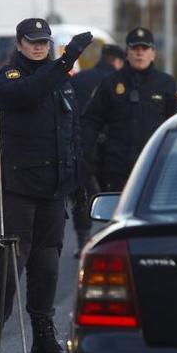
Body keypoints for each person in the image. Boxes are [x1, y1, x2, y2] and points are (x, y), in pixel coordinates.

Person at [0, 18, 93, 353]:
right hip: (16, 189)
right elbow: (28, 94)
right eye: (32, 41)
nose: (39, 46)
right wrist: (66, 61)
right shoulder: (10, 77)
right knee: (8, 268)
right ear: (19, 43)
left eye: (44, 41)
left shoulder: (61, 82)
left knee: (47, 267)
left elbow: (73, 133)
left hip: (53, 190)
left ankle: (43, 340)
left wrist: (79, 179)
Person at [82, 27, 177, 192]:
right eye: (135, 49)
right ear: (127, 52)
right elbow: (91, 122)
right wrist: (88, 161)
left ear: (153, 53)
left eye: (144, 49)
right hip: (116, 169)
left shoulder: (166, 84)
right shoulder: (110, 83)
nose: (140, 53)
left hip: (155, 167)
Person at [68, 44, 125, 256]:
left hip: (81, 143)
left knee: (82, 193)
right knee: (113, 194)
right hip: (111, 146)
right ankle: (111, 239)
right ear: (118, 61)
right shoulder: (120, 81)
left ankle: (83, 240)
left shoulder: (80, 78)